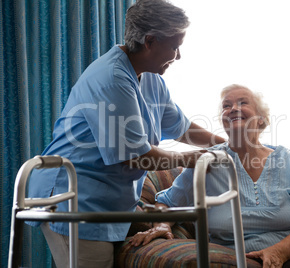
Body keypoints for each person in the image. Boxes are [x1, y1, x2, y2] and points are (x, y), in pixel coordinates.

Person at [26, 0, 225, 267]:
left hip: (113, 201)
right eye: (175, 47)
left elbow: (184, 129)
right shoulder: (111, 78)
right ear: (150, 41)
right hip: (74, 198)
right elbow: (135, 157)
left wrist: (230, 146)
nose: (178, 56)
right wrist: (189, 159)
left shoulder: (152, 77)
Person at [130, 84, 290, 268]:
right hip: (250, 257)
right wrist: (161, 224)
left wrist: (278, 252)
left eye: (243, 102)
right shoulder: (208, 160)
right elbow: (169, 202)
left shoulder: (287, 159)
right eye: (226, 105)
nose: (233, 108)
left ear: (262, 119)